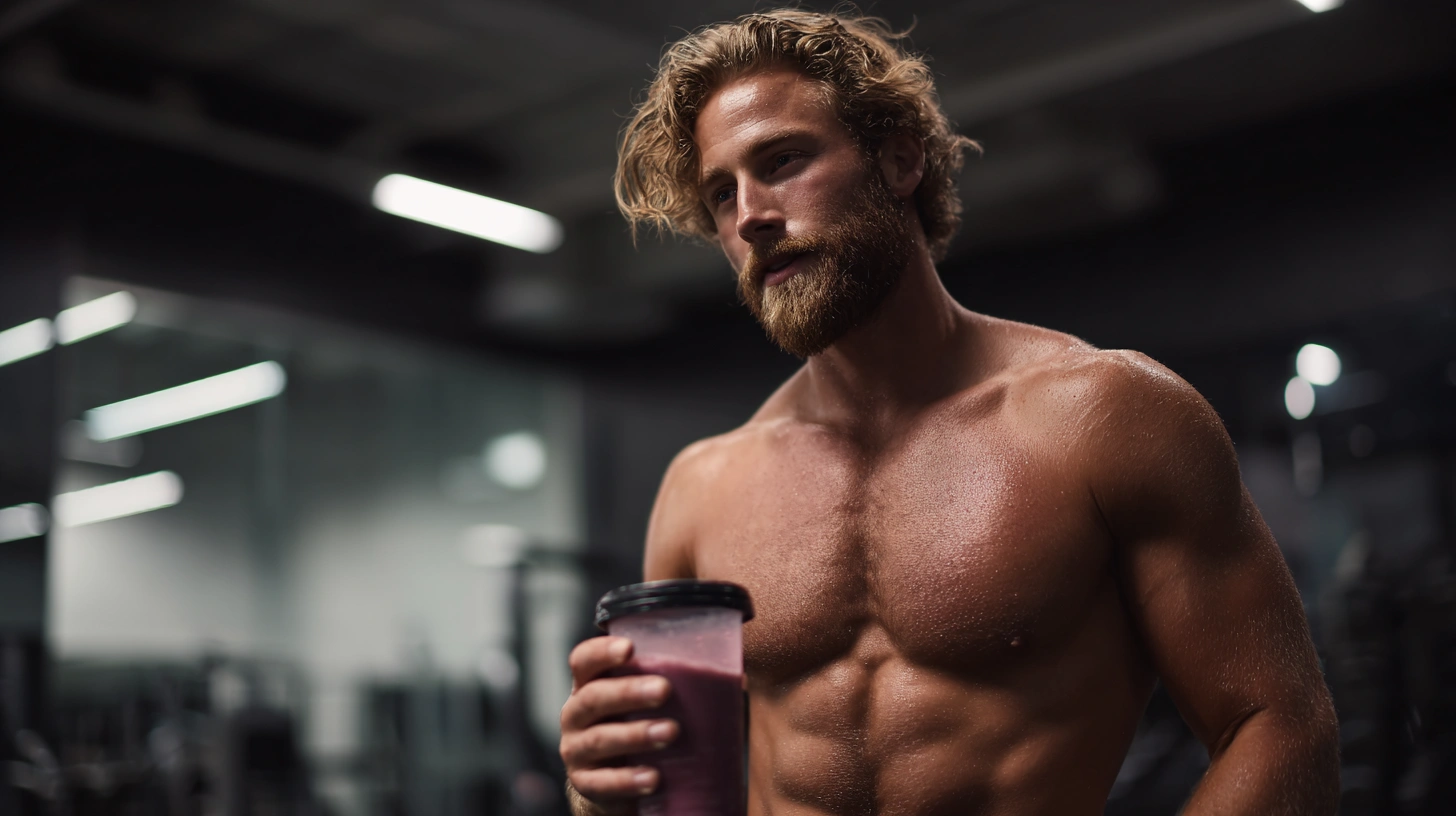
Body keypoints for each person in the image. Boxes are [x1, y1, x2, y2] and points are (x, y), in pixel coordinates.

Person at [559, 9, 1340, 815]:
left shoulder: (1103, 418)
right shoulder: (702, 488)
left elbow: (1280, 727)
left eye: (783, 160)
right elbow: (671, 789)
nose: (751, 215)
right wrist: (601, 785)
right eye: (722, 194)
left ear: (899, 160)